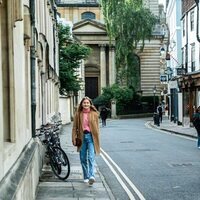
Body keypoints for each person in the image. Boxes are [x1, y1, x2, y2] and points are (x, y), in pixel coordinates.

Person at [72, 96, 100, 186]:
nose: (86, 104)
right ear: (82, 104)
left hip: (91, 138)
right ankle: (86, 176)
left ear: (90, 104)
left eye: (87, 103)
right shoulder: (78, 114)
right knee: (83, 159)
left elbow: (97, 127)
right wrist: (73, 138)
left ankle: (92, 176)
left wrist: (97, 137)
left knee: (91, 158)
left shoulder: (94, 114)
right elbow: (74, 127)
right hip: (82, 138)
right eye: (84, 103)